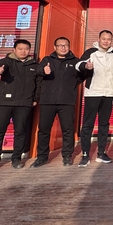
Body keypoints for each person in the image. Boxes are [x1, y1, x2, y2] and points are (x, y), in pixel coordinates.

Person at [31, 37, 84, 168]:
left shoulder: (75, 61)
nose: (63, 48)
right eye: (60, 45)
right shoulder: (47, 60)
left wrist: (70, 87)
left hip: (67, 101)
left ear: (69, 47)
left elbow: (81, 77)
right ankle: (42, 157)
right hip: (48, 100)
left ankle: (67, 155)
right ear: (55, 47)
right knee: (44, 130)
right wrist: (44, 71)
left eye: (65, 45)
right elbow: (38, 71)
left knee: (68, 130)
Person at [0, 39, 39, 172]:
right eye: (20, 49)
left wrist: (35, 99)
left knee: (20, 132)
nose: (23, 51)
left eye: (26, 49)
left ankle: (16, 158)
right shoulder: (6, 61)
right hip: (4, 102)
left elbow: (38, 83)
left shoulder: (34, 65)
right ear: (14, 50)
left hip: (24, 103)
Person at [76, 30, 113, 168]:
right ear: (99, 39)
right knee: (88, 125)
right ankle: (85, 154)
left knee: (104, 124)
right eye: (103, 38)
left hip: (108, 94)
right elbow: (78, 65)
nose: (106, 41)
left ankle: (101, 153)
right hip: (93, 93)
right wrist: (85, 66)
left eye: (108, 39)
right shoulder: (91, 52)